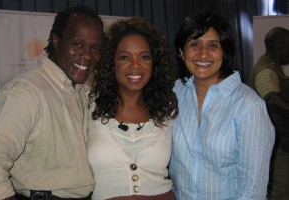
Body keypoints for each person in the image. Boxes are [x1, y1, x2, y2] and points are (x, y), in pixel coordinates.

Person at [0, 5, 104, 200]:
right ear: (56, 41)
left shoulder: (85, 93)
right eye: (77, 44)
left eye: (95, 48)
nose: (87, 55)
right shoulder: (25, 93)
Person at [168, 12, 275, 200]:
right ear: (181, 52)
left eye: (213, 45)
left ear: (224, 52)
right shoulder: (175, 94)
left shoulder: (249, 106)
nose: (203, 53)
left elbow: (252, 190)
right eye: (194, 44)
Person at [87, 17, 178, 200]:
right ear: (111, 62)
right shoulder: (88, 105)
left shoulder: (168, 109)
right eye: (124, 57)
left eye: (144, 57)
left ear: (154, 63)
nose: (135, 65)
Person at [248, 27, 289, 200]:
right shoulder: (266, 70)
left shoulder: (270, 66)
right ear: (281, 45)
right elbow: (273, 100)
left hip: (278, 138)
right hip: (276, 141)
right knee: (280, 190)